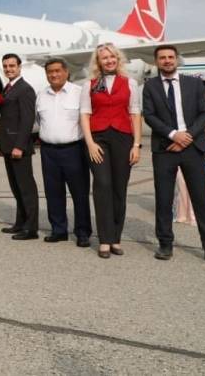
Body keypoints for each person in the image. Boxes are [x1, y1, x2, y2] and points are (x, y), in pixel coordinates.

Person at [142, 45, 205, 266]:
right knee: (163, 199)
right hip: (164, 149)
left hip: (192, 147)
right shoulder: (150, 86)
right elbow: (149, 115)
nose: (167, 60)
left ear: (177, 59)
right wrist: (173, 135)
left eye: (171, 57)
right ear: (156, 61)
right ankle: (165, 244)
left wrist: (187, 136)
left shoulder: (194, 84)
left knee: (201, 199)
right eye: (162, 58)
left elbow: (204, 114)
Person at [79, 42, 141, 259]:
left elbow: (135, 113)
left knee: (119, 188)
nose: (109, 60)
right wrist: (89, 143)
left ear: (118, 59)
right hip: (98, 139)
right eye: (104, 57)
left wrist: (136, 145)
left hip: (123, 138)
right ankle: (105, 239)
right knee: (102, 184)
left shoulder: (130, 83)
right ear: (98, 61)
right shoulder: (90, 84)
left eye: (112, 56)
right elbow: (85, 114)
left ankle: (116, 238)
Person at [35, 58, 91, 247]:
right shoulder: (41, 95)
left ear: (66, 72)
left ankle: (83, 232)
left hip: (73, 150)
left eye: (58, 71)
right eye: (50, 72)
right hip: (48, 151)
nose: (54, 74)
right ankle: (58, 230)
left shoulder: (79, 93)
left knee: (80, 193)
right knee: (53, 192)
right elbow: (39, 120)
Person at [0, 54, 39, 240]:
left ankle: (31, 228)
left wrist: (19, 146)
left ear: (20, 67)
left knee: (26, 188)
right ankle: (20, 223)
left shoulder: (25, 89)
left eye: (12, 66)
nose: (8, 69)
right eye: (5, 66)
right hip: (8, 146)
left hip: (18, 148)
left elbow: (28, 120)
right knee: (16, 187)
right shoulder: (8, 88)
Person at [174, 77, 205, 226]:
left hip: (200, 146)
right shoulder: (188, 101)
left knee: (198, 181)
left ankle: (194, 214)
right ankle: (185, 214)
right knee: (185, 180)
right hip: (184, 145)